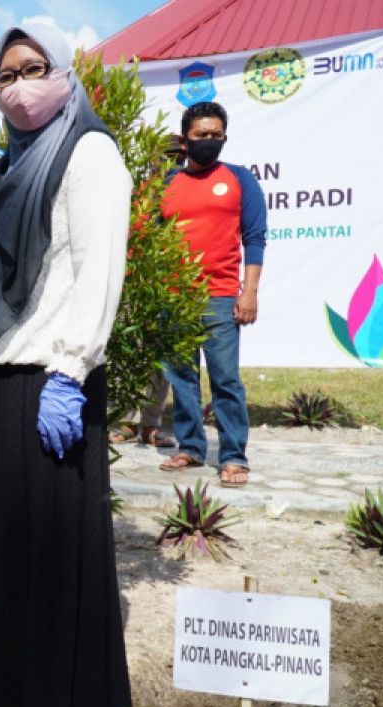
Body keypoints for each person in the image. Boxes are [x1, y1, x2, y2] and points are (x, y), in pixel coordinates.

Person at [0, 23, 133, 707]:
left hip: (53, 379)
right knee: (0, 550)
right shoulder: (12, 166)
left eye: (35, 68)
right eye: (7, 74)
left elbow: (98, 272)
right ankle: (4, 685)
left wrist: (70, 371)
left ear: (63, 72)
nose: (20, 85)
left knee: (55, 552)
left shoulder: (90, 155)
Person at [158, 101, 266, 488]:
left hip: (220, 296)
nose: (208, 141)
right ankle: (191, 446)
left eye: (215, 135)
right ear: (185, 137)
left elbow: (254, 239)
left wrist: (248, 292)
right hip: (174, 297)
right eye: (201, 135)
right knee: (181, 377)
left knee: (225, 381)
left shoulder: (239, 178)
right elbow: (151, 236)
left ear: (224, 138)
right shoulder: (167, 183)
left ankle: (234, 455)